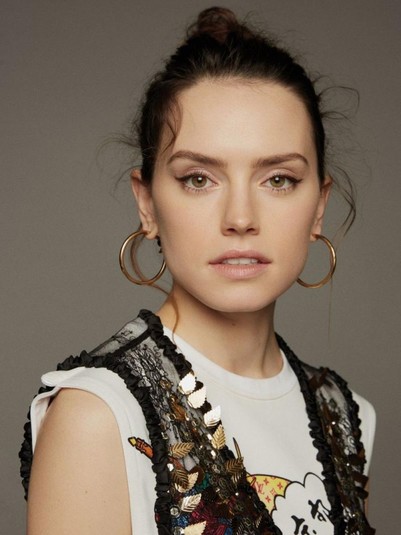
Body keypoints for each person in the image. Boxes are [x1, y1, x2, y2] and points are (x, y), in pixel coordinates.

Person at [20, 7, 376, 535]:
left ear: (318, 206)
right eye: (198, 179)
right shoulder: (99, 416)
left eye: (278, 179)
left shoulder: (345, 416)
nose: (240, 218)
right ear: (147, 203)